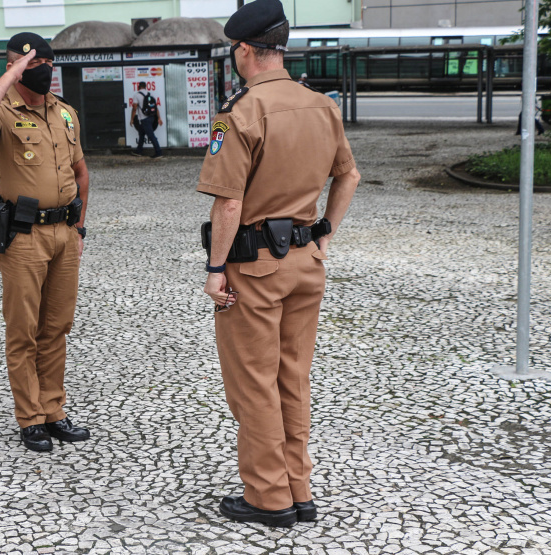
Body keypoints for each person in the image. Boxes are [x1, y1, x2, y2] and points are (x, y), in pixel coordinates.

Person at [197, 0, 360, 528]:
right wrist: (325, 233)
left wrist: (215, 267)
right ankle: (299, 487)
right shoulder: (322, 105)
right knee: (293, 377)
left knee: (254, 382)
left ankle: (269, 498)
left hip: (255, 267)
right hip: (305, 262)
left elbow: (228, 203)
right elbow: (349, 177)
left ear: (245, 51)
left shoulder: (240, 112)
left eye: (235, 51)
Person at [0, 32, 91, 453]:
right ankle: (29, 418)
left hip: (64, 234)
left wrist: (80, 229)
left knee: (57, 328)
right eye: (33, 65)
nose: (44, 71)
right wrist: (13, 72)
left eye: (48, 64)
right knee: (24, 331)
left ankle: (53, 411)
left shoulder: (64, 113)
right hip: (23, 237)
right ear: (14, 67)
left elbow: (81, 173)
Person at [129, 82, 163, 158]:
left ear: (139, 87)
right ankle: (139, 151)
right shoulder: (150, 94)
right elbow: (156, 108)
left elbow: (134, 108)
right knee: (141, 134)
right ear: (145, 87)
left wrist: (132, 119)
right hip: (151, 117)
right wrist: (159, 118)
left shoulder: (137, 95)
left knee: (151, 136)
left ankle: (159, 152)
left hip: (144, 119)